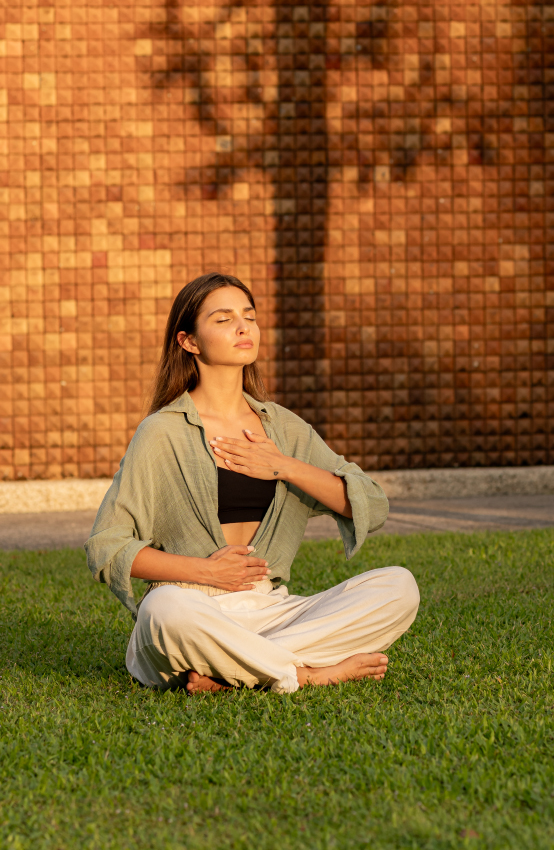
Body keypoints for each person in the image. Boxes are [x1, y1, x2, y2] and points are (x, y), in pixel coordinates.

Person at [85, 272, 420, 695]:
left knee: (398, 587)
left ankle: (232, 673)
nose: (244, 327)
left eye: (249, 316)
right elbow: (107, 546)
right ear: (189, 341)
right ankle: (307, 673)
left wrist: (285, 466)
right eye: (223, 319)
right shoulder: (161, 432)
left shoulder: (282, 428)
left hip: (271, 608)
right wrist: (207, 571)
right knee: (162, 610)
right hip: (191, 607)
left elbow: (370, 503)